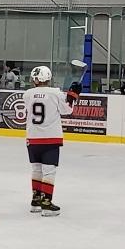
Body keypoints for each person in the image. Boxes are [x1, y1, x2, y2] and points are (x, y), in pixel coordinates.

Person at [24, 66, 80, 217]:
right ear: (48, 78)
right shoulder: (55, 93)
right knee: (49, 171)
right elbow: (67, 110)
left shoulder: (27, 94)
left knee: (36, 169)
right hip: (50, 138)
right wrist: (73, 96)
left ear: (35, 79)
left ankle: (36, 201)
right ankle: (47, 204)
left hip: (32, 138)